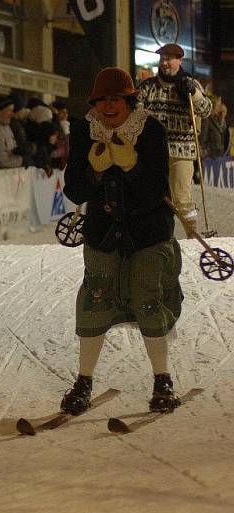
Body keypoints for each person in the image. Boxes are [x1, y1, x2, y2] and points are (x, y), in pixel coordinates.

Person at [62, 67, 183, 415]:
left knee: (148, 301)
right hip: (102, 233)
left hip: (148, 233)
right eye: (102, 99)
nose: (108, 106)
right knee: (94, 302)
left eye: (116, 99)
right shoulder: (85, 131)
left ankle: (163, 380)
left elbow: (155, 193)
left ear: (130, 101)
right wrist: (95, 171)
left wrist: (131, 166)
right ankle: (83, 382)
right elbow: (75, 190)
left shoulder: (151, 131)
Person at [138, 43, 212, 234]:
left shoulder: (190, 85)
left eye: (169, 59)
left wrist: (193, 94)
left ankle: (192, 235)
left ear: (179, 61)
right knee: (153, 197)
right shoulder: (148, 87)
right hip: (153, 152)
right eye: (162, 58)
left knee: (181, 198)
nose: (164, 63)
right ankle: (156, 236)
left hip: (181, 150)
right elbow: (134, 114)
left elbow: (205, 110)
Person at [0, 97, 25, 169]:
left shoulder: (6, 126)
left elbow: (12, 148)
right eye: (9, 110)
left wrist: (20, 151)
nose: (12, 114)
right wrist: (21, 161)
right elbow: (0, 159)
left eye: (13, 110)